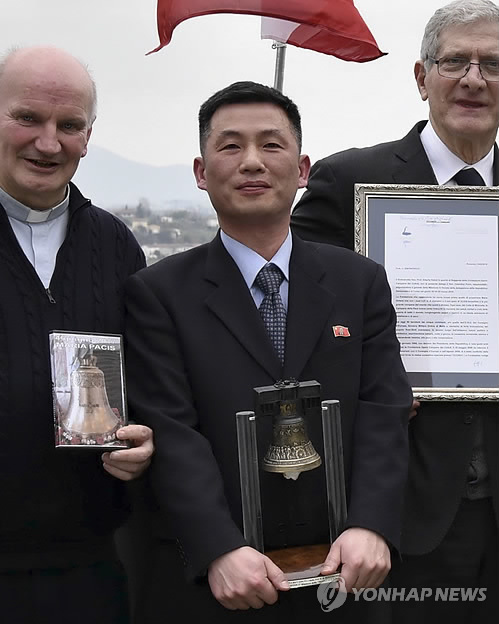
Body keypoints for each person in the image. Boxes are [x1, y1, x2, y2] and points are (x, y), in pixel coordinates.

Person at [124, 80, 411, 623]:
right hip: (220, 581)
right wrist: (216, 547)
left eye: (271, 145)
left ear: (302, 170)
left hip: (343, 572)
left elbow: (383, 410)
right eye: (230, 146)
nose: (252, 161)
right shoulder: (159, 293)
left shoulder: (360, 282)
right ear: (201, 172)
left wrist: (371, 525)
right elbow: (173, 430)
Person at [290, 1, 499, 621]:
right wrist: (363, 374)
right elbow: (293, 320)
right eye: (455, 61)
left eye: (493, 64)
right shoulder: (351, 181)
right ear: (420, 77)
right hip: (393, 514)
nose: (473, 78)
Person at [0, 45, 153, 624]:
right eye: (26, 118)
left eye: (69, 125)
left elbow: (146, 379)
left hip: (87, 565)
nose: (48, 142)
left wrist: (143, 439)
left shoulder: (116, 246)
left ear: (89, 135)